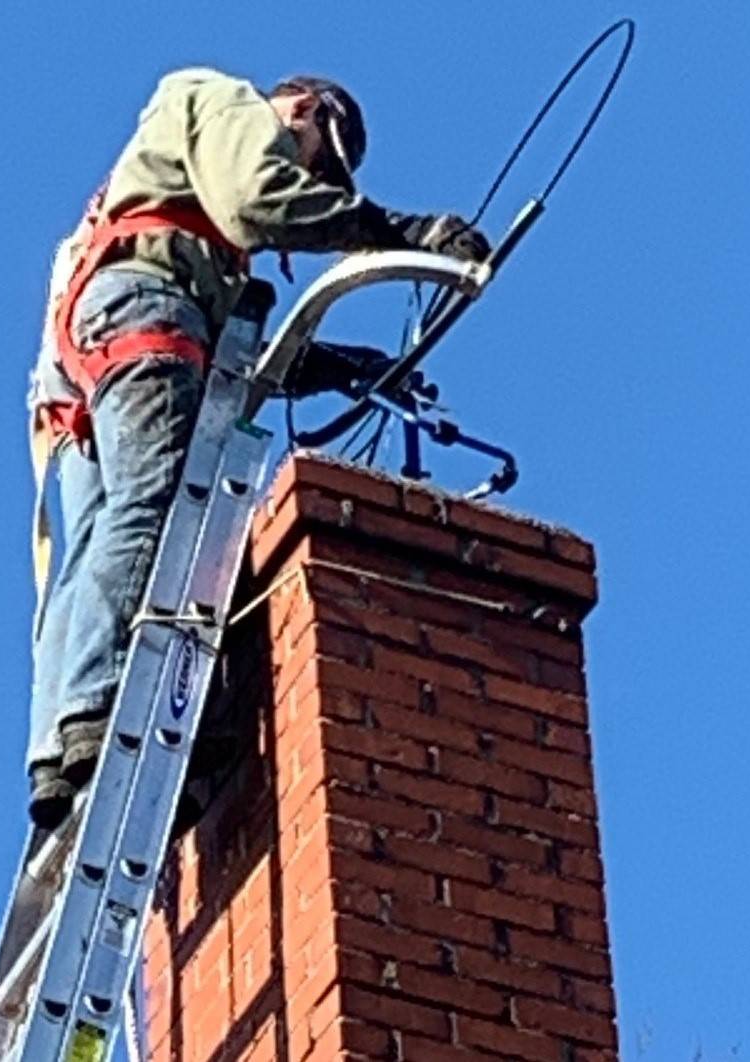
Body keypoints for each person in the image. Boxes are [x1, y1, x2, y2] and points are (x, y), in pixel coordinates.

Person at [24, 67, 489, 829]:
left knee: (105, 539)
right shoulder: (230, 103)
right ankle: (107, 715)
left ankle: (67, 743)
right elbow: (259, 203)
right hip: (141, 319)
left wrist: (337, 366)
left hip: (89, 363)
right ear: (308, 111)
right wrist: (397, 230)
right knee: (158, 511)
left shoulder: (176, 189)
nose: (313, 179)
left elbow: (235, 354)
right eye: (321, 165)